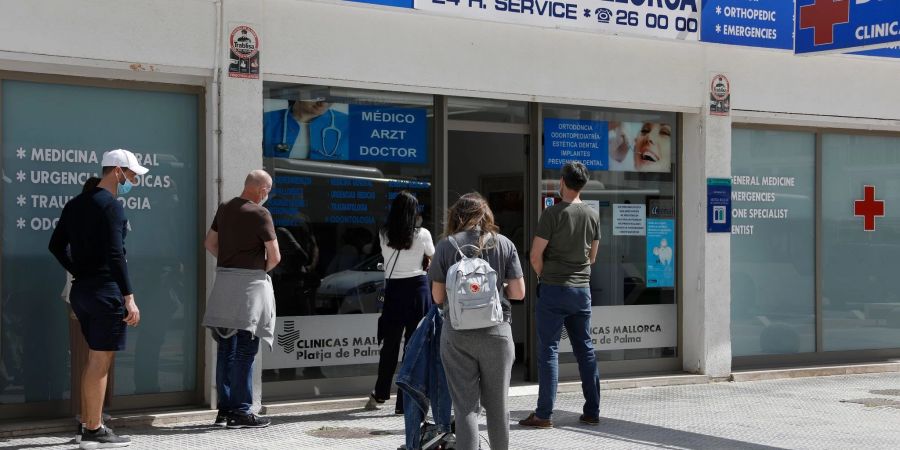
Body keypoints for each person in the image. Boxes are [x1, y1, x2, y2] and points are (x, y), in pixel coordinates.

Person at [49, 149, 147, 448]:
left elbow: (55, 245)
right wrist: (129, 297)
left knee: (94, 359)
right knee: (100, 362)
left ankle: (89, 424)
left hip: (83, 291)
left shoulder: (76, 204)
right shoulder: (112, 207)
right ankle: (94, 430)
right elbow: (117, 255)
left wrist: (79, 270)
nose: (133, 180)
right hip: (106, 292)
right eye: (131, 175)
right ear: (117, 171)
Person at [429, 193, 526, 450]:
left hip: (457, 336)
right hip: (497, 333)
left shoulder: (446, 246)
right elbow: (518, 293)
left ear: (456, 216)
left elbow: (437, 297)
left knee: (465, 409)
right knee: (498, 407)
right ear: (486, 214)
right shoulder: (504, 244)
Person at [519, 161, 601, 429]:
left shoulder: (552, 214)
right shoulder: (592, 215)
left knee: (549, 351)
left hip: (554, 289)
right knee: (585, 350)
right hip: (581, 291)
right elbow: (593, 257)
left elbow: (534, 255)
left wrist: (545, 277)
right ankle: (592, 411)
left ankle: (544, 414)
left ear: (562, 183)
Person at [202, 170, 281, 429]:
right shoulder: (261, 214)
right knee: (246, 350)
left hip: (224, 284)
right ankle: (242, 411)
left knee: (226, 349)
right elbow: (275, 256)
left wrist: (229, 264)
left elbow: (210, 243)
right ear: (262, 190)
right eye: (267, 190)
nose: (267, 195)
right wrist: (255, 270)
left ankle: (224, 411)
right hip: (249, 289)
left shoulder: (225, 208)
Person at [365, 191, 434, 413]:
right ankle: (404, 402)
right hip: (417, 289)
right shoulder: (422, 234)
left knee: (391, 344)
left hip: (394, 290)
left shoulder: (384, 233)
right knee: (414, 346)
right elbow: (431, 254)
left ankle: (381, 392)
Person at [262, 98, 349, 160]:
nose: (323, 103)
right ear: (298, 93)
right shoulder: (266, 120)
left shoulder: (348, 124)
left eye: (329, 98)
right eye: (317, 96)